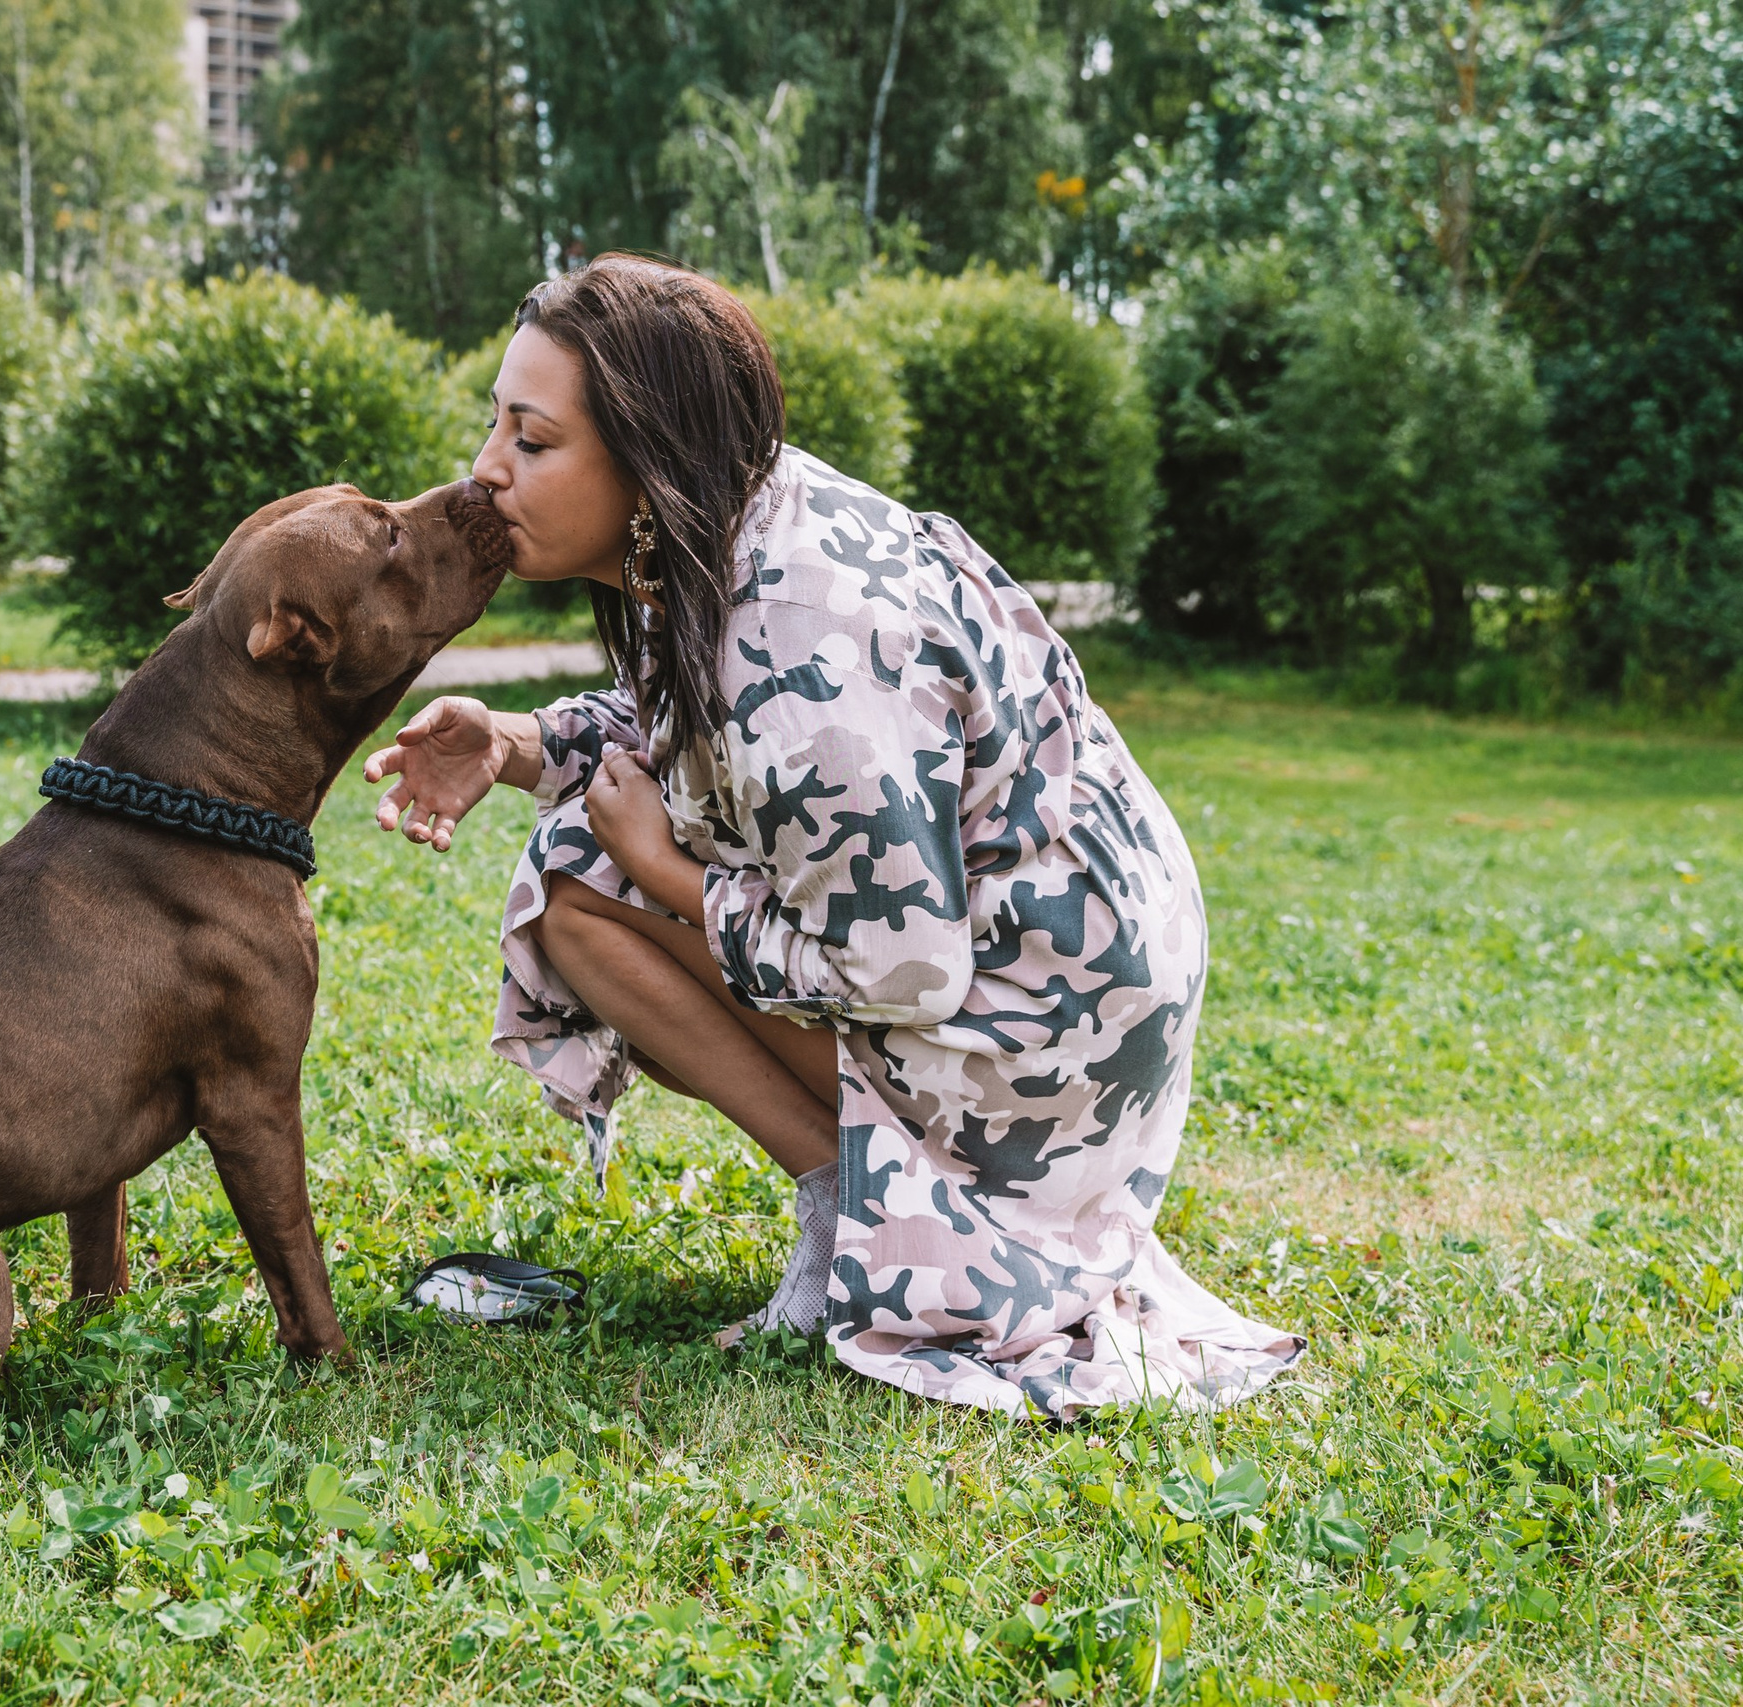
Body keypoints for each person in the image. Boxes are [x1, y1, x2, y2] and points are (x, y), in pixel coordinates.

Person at [362, 255, 1300, 1420]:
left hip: (1046, 1051)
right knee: (578, 861)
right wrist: (514, 742)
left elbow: (905, 967)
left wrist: (668, 872)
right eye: (495, 428)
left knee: (588, 878)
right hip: (1070, 989)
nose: (486, 472)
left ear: (649, 452)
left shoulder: (801, 621)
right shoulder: (742, 523)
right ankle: (861, 1207)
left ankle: (872, 1225)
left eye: (532, 441)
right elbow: (709, 732)